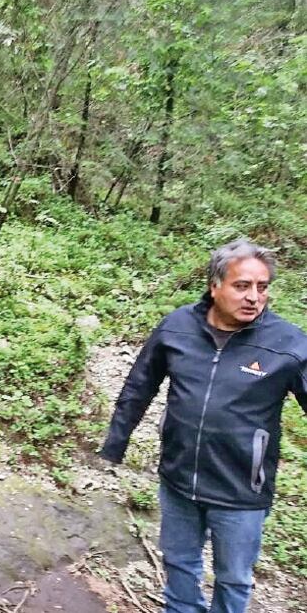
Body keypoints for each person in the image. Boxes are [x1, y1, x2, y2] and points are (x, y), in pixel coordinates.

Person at [99, 239, 307, 613]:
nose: (254, 297)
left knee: (233, 579)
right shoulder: (178, 327)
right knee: (179, 565)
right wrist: (116, 442)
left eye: (262, 287)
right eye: (242, 286)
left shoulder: (288, 343)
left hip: (241, 490)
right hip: (179, 479)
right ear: (215, 286)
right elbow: (139, 385)